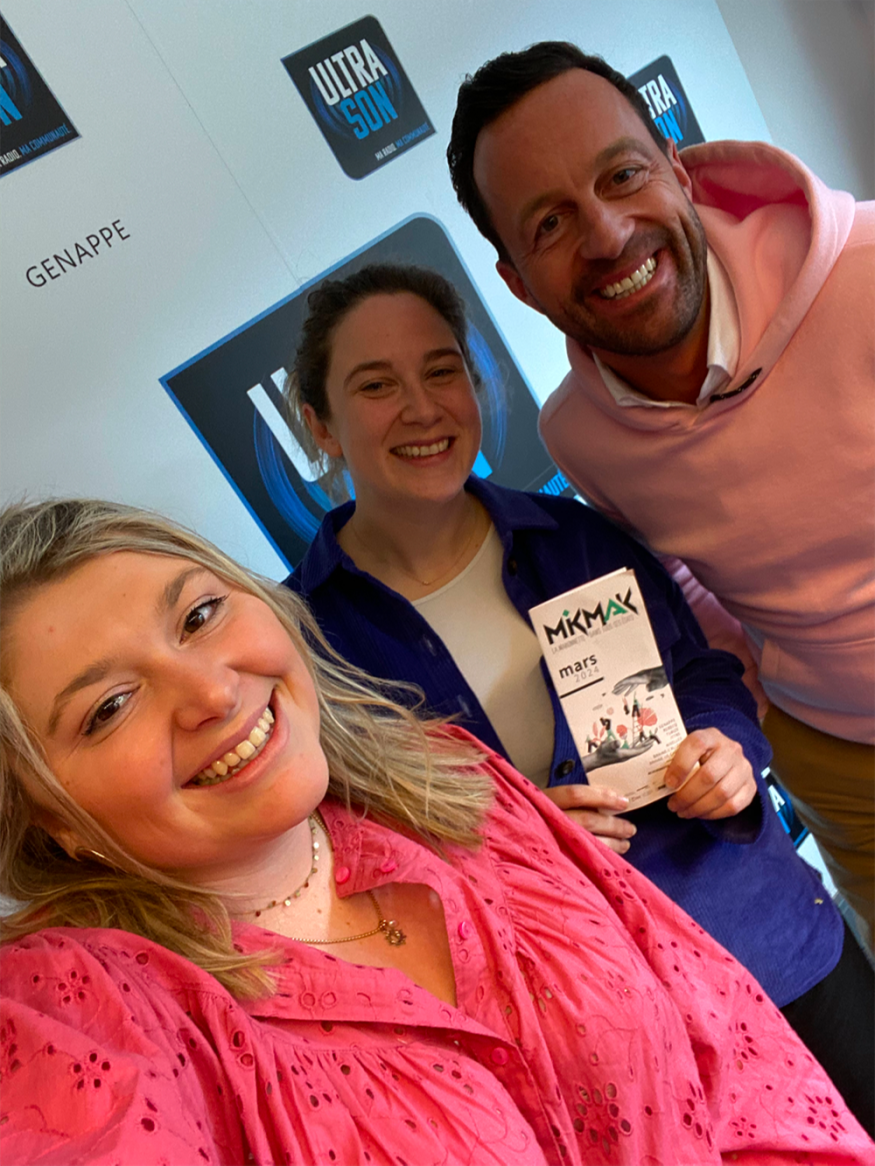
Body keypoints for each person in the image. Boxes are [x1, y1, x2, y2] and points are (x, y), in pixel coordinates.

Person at [1, 499, 871, 1165]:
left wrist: (723, 744)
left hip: (767, 916)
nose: (213, 694)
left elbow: (737, 1057)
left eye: (198, 616)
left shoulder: (456, 780)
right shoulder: (74, 1019)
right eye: (109, 707)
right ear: (47, 815)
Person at [283, 262, 875, 1133]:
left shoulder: (574, 538)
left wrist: (727, 749)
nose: (420, 408)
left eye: (441, 371)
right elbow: (341, 863)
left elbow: (700, 673)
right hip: (597, 1036)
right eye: (375, 385)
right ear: (318, 424)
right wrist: (511, 846)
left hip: (761, 941)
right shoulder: (301, 645)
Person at [447, 41, 875, 957]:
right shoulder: (578, 433)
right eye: (550, 223)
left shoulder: (866, 273)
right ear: (516, 281)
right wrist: (749, 714)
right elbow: (677, 584)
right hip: (834, 764)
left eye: (622, 175)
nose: (606, 237)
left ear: (678, 171)